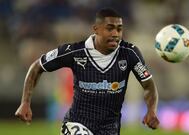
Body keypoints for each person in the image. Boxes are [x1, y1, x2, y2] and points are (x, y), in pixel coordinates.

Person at [15, 8, 160, 135]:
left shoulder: (130, 53)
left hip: (110, 129)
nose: (116, 33)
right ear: (96, 29)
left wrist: (151, 110)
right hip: (77, 124)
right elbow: (37, 66)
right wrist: (25, 102)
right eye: (110, 28)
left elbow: (148, 85)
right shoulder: (75, 52)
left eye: (119, 29)